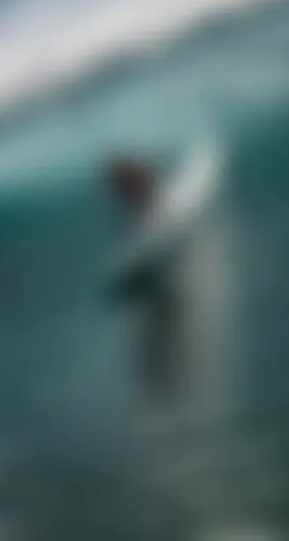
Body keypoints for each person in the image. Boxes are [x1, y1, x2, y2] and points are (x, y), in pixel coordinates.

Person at [104, 155, 188, 403]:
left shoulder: (137, 183)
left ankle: (163, 384)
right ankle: (162, 384)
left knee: (164, 322)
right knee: (162, 322)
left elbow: (150, 210)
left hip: (155, 273)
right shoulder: (133, 185)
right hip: (153, 274)